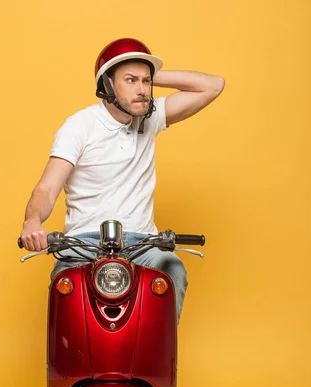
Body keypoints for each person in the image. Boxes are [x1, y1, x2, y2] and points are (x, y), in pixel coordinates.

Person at [20, 38, 225, 322]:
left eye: (146, 81)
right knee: (65, 288)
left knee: (171, 269)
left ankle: (157, 363)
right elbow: (47, 188)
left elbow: (213, 85)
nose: (142, 90)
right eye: (130, 80)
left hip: (143, 244)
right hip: (85, 242)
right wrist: (32, 222)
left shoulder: (150, 118)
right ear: (107, 84)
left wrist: (149, 75)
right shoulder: (79, 126)